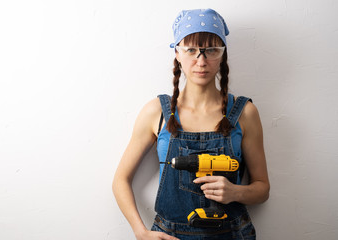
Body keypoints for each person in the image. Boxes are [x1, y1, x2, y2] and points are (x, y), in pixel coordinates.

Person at [112, 8, 270, 240]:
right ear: (177, 52)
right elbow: (120, 180)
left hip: (233, 234)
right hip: (171, 235)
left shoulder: (245, 113)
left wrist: (235, 192)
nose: (201, 61)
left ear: (222, 55)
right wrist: (141, 232)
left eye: (211, 51)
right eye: (191, 50)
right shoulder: (156, 112)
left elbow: (262, 188)